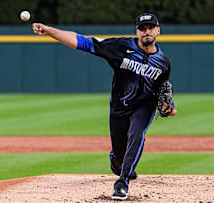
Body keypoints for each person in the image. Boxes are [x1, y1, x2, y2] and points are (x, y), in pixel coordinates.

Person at [32, 13, 177, 200]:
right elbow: (83, 42)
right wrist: (50, 30)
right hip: (119, 107)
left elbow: (162, 91)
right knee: (119, 159)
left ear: (158, 30)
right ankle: (121, 167)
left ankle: (122, 184)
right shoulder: (121, 47)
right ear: (137, 31)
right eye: (142, 28)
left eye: (150, 28)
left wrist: (168, 106)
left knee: (136, 133)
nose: (146, 31)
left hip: (144, 106)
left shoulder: (164, 62)